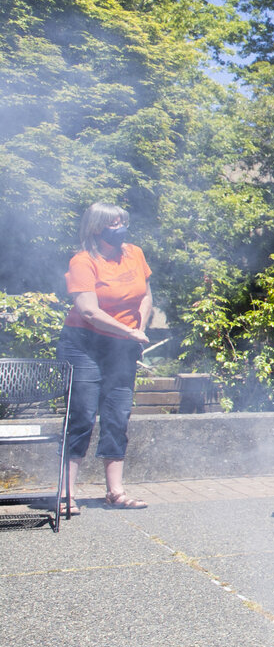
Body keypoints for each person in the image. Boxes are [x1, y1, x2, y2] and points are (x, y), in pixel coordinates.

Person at [57, 203, 153, 513]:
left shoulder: (134, 253)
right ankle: (66, 494)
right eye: (113, 223)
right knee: (83, 415)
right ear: (97, 228)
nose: (121, 228)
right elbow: (88, 310)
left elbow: (146, 295)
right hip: (84, 344)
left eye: (123, 222)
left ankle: (115, 492)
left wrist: (139, 329)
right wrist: (129, 332)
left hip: (122, 346)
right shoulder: (83, 261)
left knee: (117, 415)